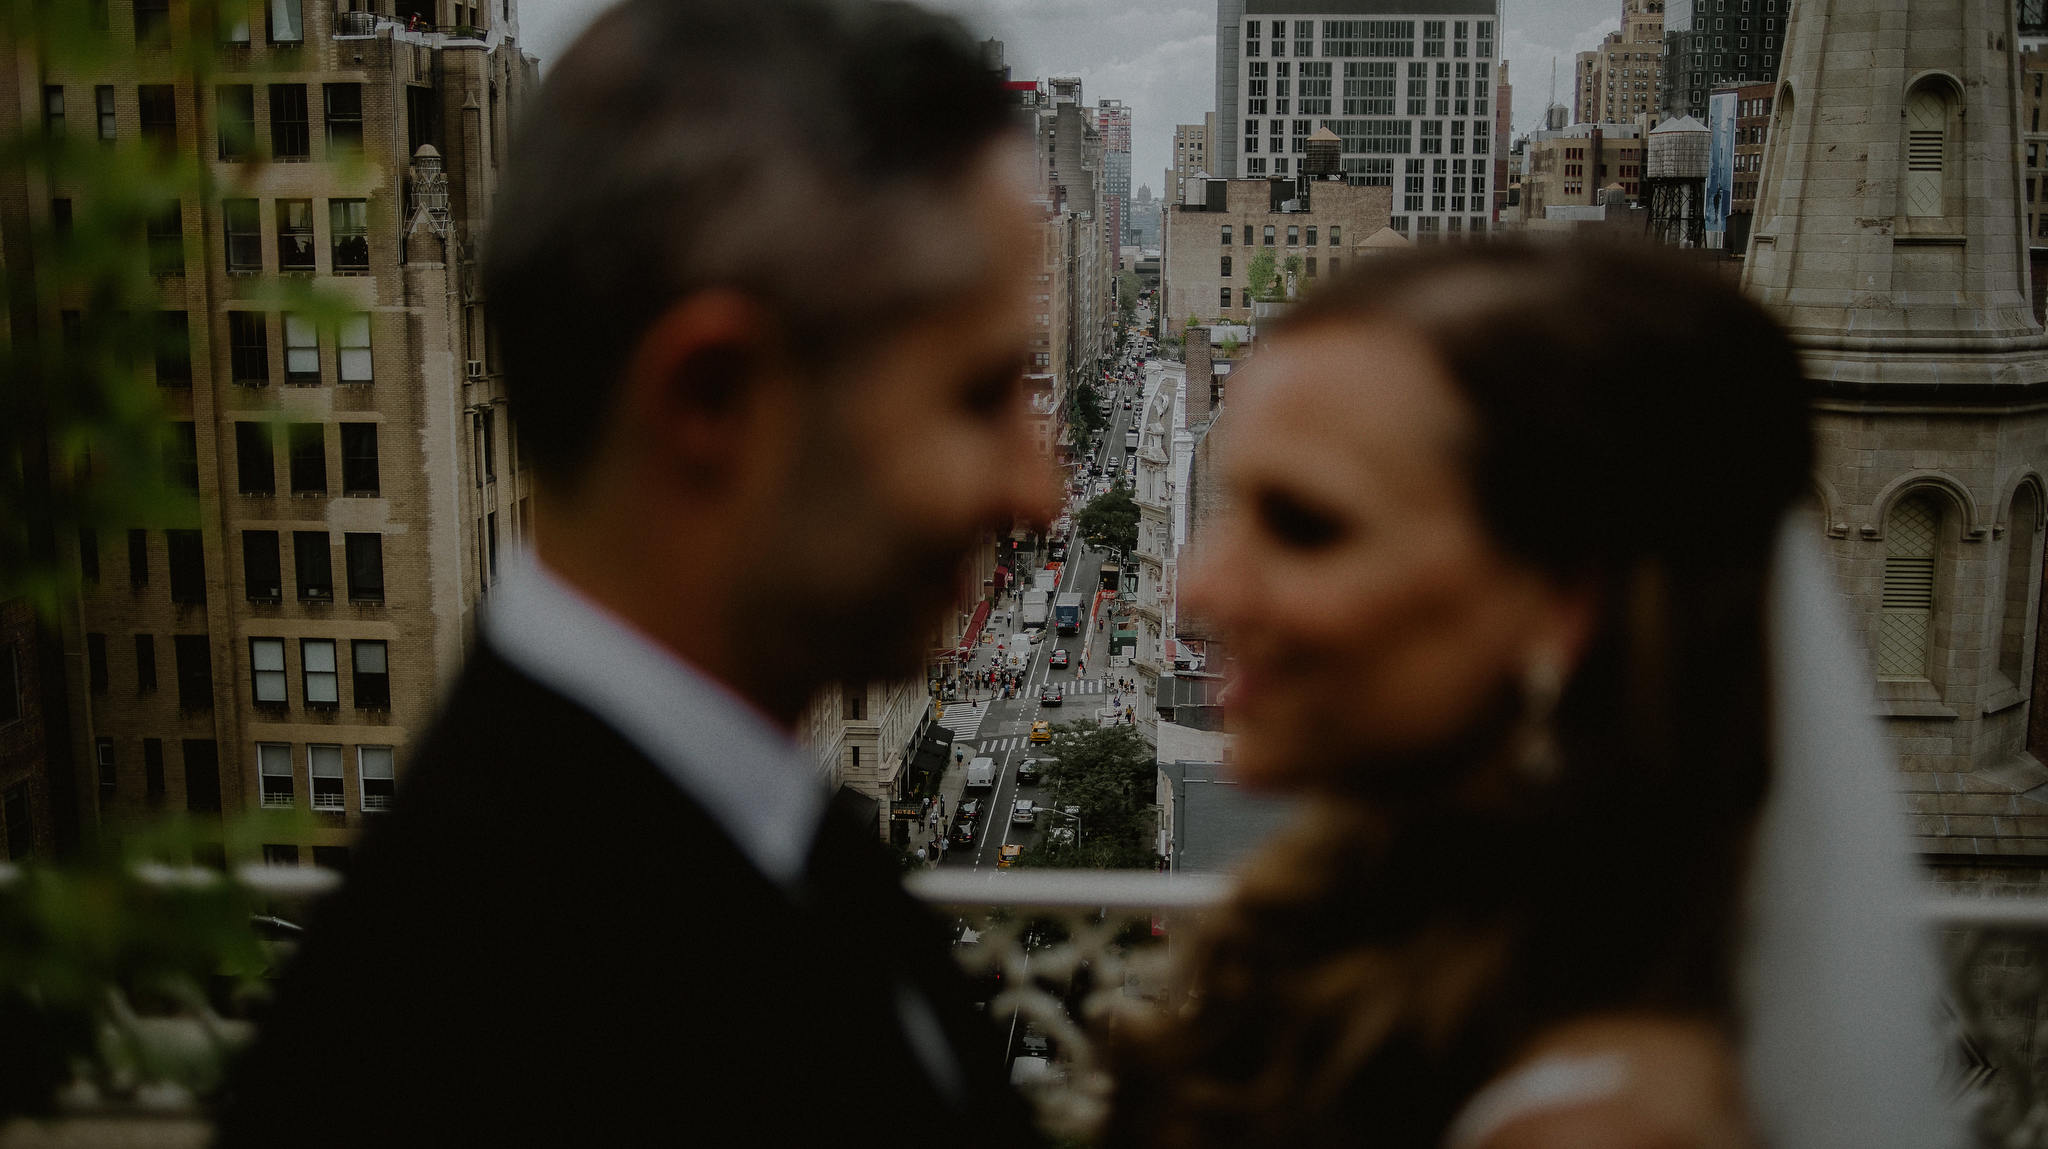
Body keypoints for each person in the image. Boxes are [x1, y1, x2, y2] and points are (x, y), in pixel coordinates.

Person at [217, 1, 1049, 1146]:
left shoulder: (768, 841)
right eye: (975, 395)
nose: (1035, 486)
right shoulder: (451, 1022)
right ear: (710, 402)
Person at [1102, 243, 1828, 1148]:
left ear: (1559, 603)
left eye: (1305, 524)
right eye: (1236, 506)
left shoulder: (1595, 1128)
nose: (1205, 583)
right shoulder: (1388, 928)